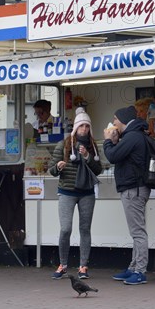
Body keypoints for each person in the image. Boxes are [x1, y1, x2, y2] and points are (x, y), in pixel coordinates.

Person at [48, 107, 102, 280]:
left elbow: (98, 169)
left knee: (85, 229)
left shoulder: (92, 146)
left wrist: (87, 157)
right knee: (65, 229)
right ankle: (63, 264)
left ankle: (83, 266)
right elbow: (51, 170)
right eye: (81, 126)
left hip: (87, 192)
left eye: (87, 126)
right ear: (76, 128)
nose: (84, 129)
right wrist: (57, 167)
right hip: (67, 192)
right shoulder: (63, 145)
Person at [103, 106, 150, 285]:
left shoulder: (132, 136)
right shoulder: (133, 135)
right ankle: (133, 267)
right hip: (135, 188)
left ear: (122, 120)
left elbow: (112, 156)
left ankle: (140, 271)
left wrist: (108, 141)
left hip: (133, 189)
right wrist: (115, 141)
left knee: (138, 232)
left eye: (115, 119)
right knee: (136, 231)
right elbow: (122, 155)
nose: (113, 122)